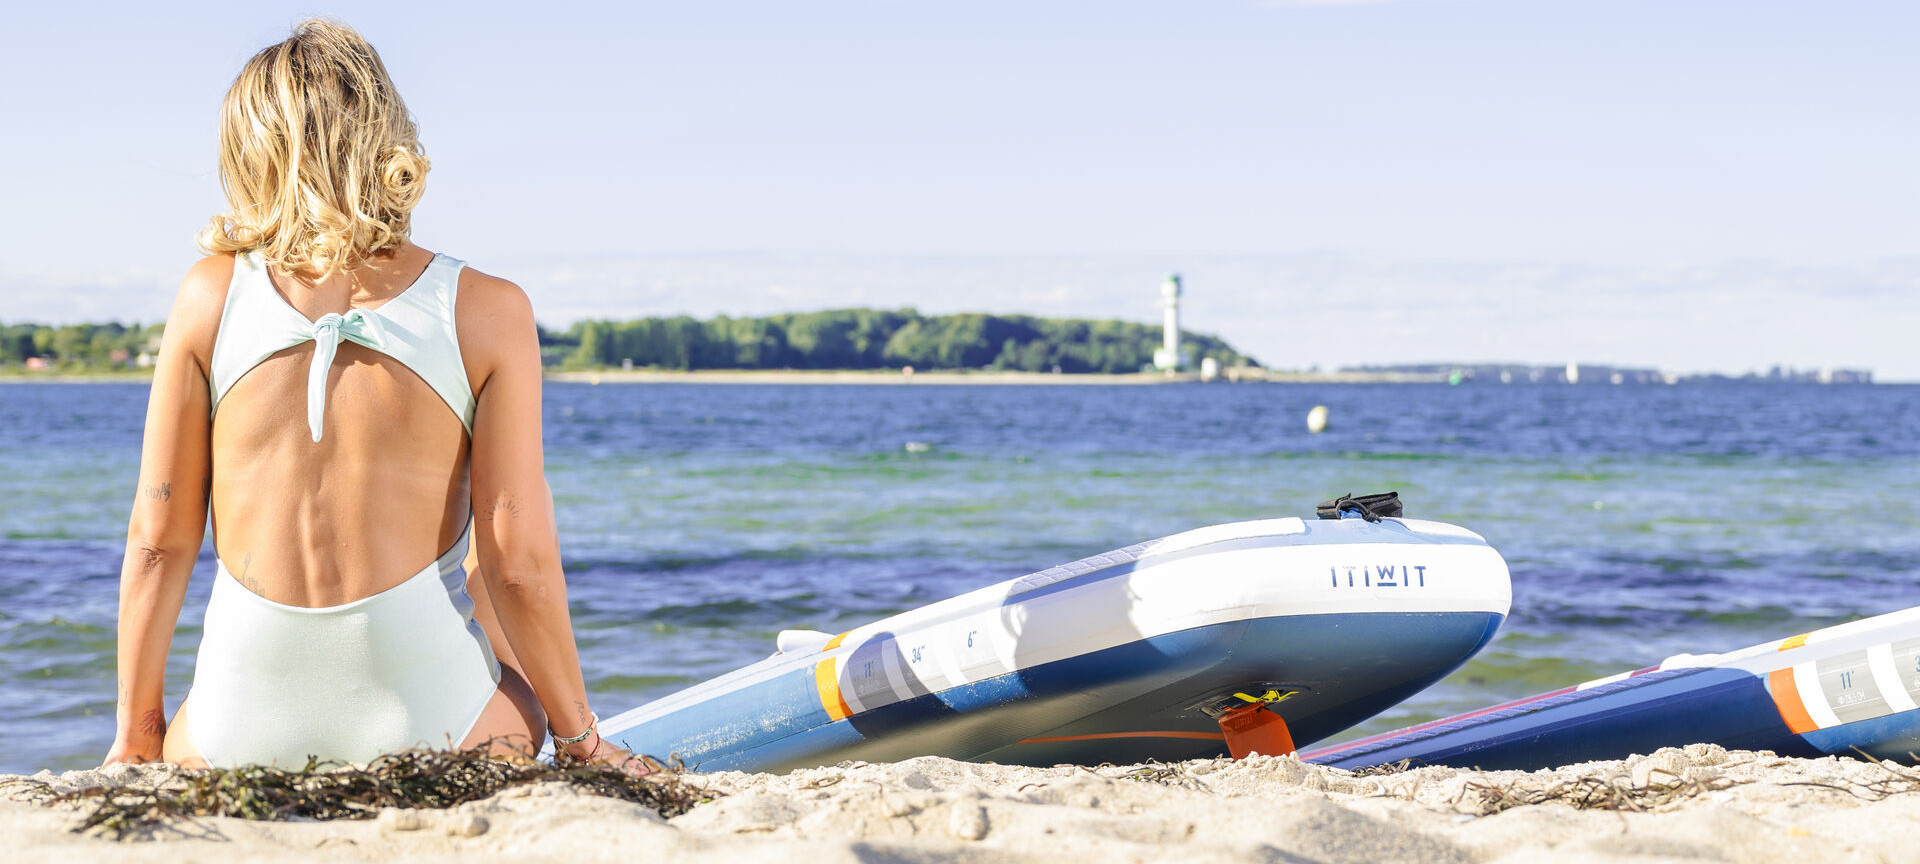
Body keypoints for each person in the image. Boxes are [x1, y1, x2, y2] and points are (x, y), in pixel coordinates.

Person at [102, 19, 640, 773]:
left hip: (235, 733)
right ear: (389, 140)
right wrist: (580, 738)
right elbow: (520, 561)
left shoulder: (208, 298)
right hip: (434, 728)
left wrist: (136, 735)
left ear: (249, 153)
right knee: (486, 577)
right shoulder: (486, 308)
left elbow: (157, 541)